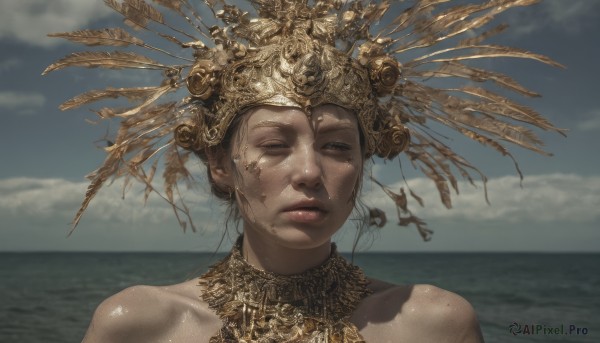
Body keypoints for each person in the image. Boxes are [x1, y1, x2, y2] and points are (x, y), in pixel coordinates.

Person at [45, 0, 562, 341]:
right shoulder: (138, 325)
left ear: (362, 166)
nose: (310, 171)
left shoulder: (434, 323)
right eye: (274, 145)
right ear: (221, 165)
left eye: (338, 147)